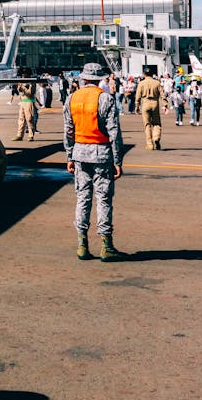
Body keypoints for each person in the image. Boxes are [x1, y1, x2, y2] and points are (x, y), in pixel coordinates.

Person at [63, 62, 124, 262]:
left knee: (83, 198)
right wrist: (118, 160)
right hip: (102, 154)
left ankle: (82, 244)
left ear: (84, 78)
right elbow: (114, 132)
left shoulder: (71, 98)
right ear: (99, 78)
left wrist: (69, 156)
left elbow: (68, 131)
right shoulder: (105, 98)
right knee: (103, 199)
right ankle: (106, 245)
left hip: (80, 153)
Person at [135, 67, 166, 150]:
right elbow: (162, 94)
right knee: (156, 123)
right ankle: (156, 138)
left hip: (145, 103)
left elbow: (137, 96)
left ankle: (150, 144)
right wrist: (165, 104)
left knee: (147, 124)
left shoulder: (141, 83)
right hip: (155, 103)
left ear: (144, 74)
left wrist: (137, 106)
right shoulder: (157, 83)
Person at [13, 73, 37, 141]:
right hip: (23, 102)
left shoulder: (32, 83)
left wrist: (23, 87)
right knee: (21, 119)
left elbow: (30, 93)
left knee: (29, 119)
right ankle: (19, 135)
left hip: (29, 101)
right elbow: (20, 92)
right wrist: (19, 87)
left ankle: (31, 135)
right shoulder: (22, 82)